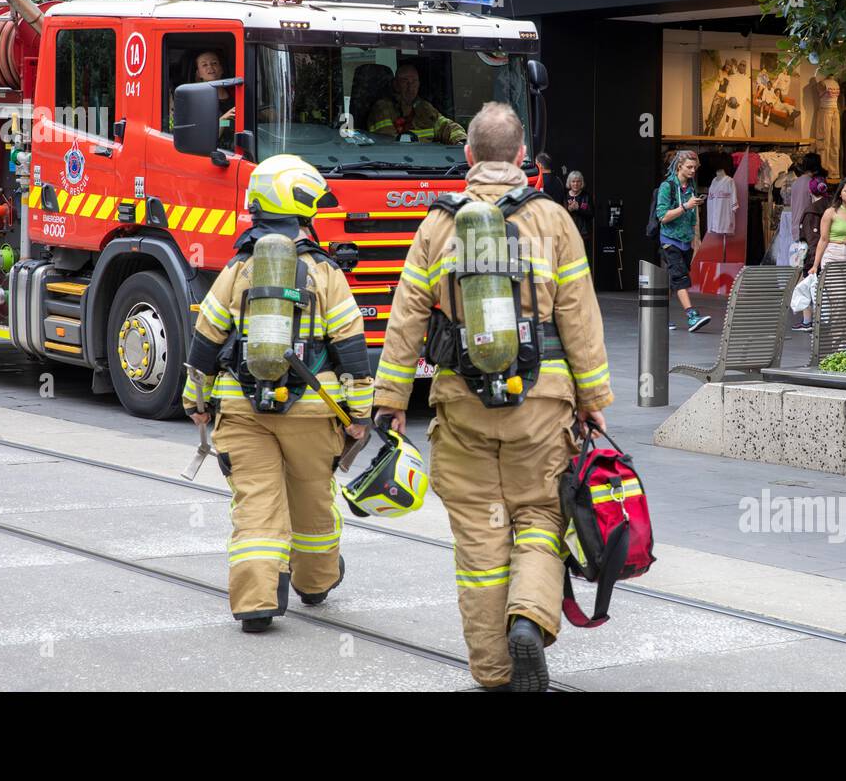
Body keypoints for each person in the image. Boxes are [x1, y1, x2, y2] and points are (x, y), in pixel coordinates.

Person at [372, 101, 612, 692]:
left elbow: (405, 317)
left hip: (461, 403)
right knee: (540, 515)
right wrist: (594, 397)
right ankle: (530, 617)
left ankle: (494, 672)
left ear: (468, 156)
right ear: (524, 157)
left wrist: (392, 399)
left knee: (481, 536)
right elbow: (580, 315)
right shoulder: (554, 219)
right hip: (544, 402)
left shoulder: (438, 224)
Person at [184, 155, 373, 632]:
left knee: (257, 503)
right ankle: (315, 582)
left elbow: (205, 340)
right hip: (313, 413)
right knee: (312, 499)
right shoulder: (325, 273)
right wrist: (360, 414)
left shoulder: (238, 270)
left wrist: (197, 401)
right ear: (302, 209)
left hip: (242, 410)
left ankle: (255, 602)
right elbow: (351, 347)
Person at [655, 150, 712, 332]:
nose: (693, 170)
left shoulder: (691, 186)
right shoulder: (667, 186)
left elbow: (693, 216)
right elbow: (662, 216)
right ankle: (691, 316)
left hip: (685, 240)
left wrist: (696, 238)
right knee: (680, 278)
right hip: (669, 239)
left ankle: (660, 318)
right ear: (679, 166)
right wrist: (685, 206)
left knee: (675, 279)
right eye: (689, 167)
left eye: (695, 167)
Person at [367, 62, 466, 143]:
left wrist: (461, 141)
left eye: (414, 81)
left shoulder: (425, 108)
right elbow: (389, 144)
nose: (410, 87)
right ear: (396, 85)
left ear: (419, 84)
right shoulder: (382, 109)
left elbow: (447, 126)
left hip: (430, 163)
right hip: (398, 163)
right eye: (405, 81)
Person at [809, 177, 846, 275]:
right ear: (840, 194)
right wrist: (815, 265)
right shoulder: (830, 212)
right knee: (832, 289)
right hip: (832, 254)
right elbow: (823, 240)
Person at [793, 176, 830, 331]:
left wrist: (812, 261)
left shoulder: (812, 211)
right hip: (831, 254)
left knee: (804, 287)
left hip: (814, 257)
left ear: (810, 191)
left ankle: (808, 321)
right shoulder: (832, 207)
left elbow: (812, 239)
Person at [565, 170, 593, 244]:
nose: (576, 184)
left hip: (583, 235)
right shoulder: (564, 196)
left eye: (578, 181)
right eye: (573, 181)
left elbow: (591, 215)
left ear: (581, 183)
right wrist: (568, 209)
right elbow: (559, 215)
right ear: (569, 183)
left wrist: (578, 209)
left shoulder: (586, 196)